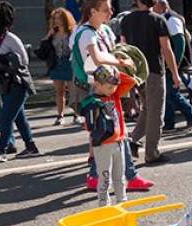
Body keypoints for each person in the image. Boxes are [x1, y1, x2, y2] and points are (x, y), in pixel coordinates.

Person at [72, 0, 154, 191]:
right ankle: (128, 176)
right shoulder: (85, 33)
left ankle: (99, 176)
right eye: (106, 10)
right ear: (93, 11)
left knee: (112, 131)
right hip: (95, 91)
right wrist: (120, 61)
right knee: (109, 131)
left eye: (110, 9)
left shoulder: (101, 31)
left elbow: (110, 52)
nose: (111, 12)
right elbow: (98, 58)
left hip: (107, 89)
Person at [120, 0, 180, 164]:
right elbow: (166, 49)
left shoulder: (126, 20)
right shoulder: (158, 19)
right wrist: (175, 73)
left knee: (147, 108)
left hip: (134, 71)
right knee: (156, 114)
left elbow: (123, 47)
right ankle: (151, 153)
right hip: (153, 70)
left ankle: (133, 140)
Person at [0, 2, 40, 161]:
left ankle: (1, 150)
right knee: (19, 117)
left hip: (17, 84)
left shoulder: (10, 39)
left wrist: (7, 64)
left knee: (6, 117)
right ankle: (31, 146)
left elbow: (24, 61)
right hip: (7, 84)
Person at [82, 65, 134, 205]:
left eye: (114, 86)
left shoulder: (114, 95)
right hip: (103, 145)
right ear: (97, 84)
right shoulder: (91, 102)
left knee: (120, 176)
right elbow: (88, 126)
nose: (114, 89)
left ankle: (122, 202)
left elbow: (130, 81)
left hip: (119, 142)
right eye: (110, 87)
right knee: (105, 179)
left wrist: (115, 70)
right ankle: (104, 206)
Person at [154, 0, 192, 131]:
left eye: (154, 6)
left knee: (171, 92)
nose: (153, 9)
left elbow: (179, 43)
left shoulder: (172, 19)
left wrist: (174, 65)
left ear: (162, 6)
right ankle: (169, 122)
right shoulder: (166, 18)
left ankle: (191, 114)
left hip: (173, 63)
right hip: (168, 62)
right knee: (167, 92)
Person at [46, 8, 78, 125]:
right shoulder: (53, 32)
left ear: (65, 19)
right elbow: (44, 46)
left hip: (69, 62)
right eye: (55, 18)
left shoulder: (72, 31)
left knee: (73, 90)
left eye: (59, 18)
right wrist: (48, 36)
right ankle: (60, 115)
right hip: (57, 63)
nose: (56, 21)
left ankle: (76, 114)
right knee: (59, 91)